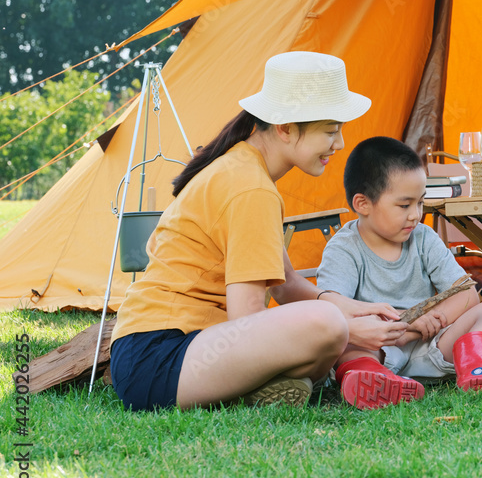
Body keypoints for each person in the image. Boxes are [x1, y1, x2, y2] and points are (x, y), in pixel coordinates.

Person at [109, 51, 405, 411]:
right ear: (285, 129)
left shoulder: (246, 169)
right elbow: (246, 319)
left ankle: (261, 389)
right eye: (330, 131)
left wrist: (358, 310)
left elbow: (286, 285)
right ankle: (255, 386)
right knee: (327, 327)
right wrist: (346, 327)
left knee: (330, 327)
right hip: (159, 357)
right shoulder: (251, 188)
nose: (339, 144)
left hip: (176, 350)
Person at [316, 137, 482, 409]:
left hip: (430, 345)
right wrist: (403, 325)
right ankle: (370, 377)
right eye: (404, 205)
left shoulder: (424, 238)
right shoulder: (344, 248)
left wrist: (423, 325)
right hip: (376, 347)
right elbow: (334, 309)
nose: (416, 215)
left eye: (420, 203)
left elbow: (466, 295)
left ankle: (481, 368)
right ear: (363, 204)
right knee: (348, 341)